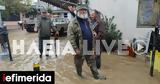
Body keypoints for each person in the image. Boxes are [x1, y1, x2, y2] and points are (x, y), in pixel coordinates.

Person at [67, 4, 106, 80]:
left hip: (89, 46)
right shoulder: (73, 23)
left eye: (84, 11)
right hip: (79, 48)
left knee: (92, 62)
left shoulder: (88, 21)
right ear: (77, 12)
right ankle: (79, 76)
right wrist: (75, 49)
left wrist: (94, 47)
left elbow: (91, 33)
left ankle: (96, 75)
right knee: (79, 64)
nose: (83, 12)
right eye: (81, 11)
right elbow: (70, 38)